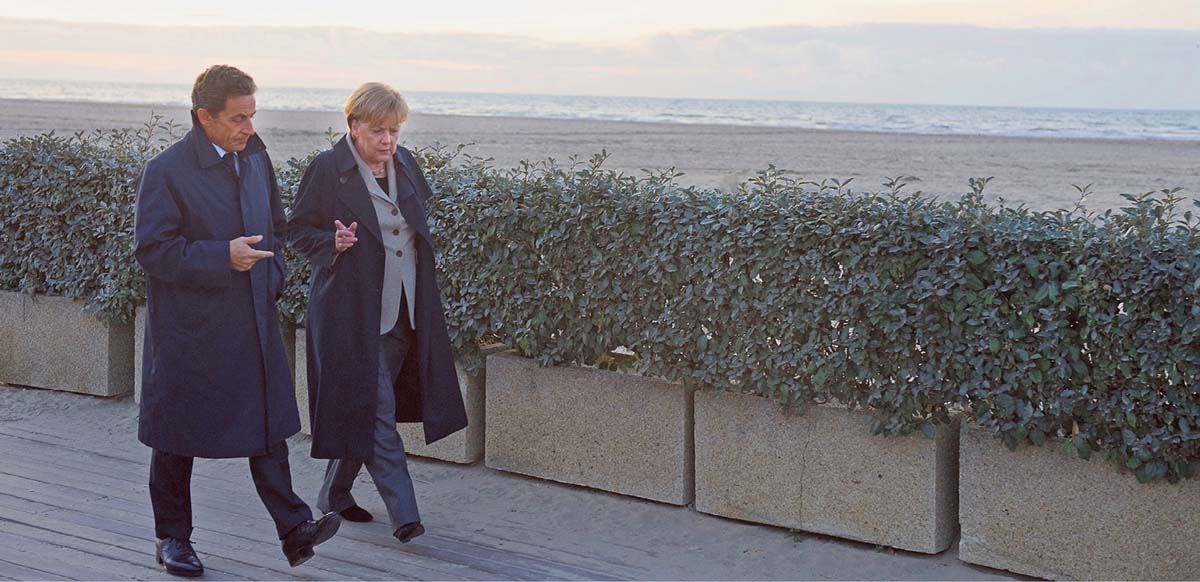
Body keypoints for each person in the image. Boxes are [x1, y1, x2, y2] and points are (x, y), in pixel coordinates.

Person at [134, 64, 341, 577]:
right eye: (237, 118)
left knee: (266, 427)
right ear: (204, 117)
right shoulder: (166, 170)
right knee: (176, 438)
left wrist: (273, 279)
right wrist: (219, 256)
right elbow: (153, 251)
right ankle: (172, 539)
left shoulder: (256, 157)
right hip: (190, 331)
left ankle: (296, 531)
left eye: (252, 115)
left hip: (251, 320)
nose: (248, 128)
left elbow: (275, 225)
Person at [287, 82, 468, 545]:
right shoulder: (328, 170)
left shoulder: (405, 163)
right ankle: (405, 513)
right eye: (377, 131)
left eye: (394, 130)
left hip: (404, 311)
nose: (387, 140)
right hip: (350, 315)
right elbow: (296, 230)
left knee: (364, 411)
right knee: (376, 416)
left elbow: (414, 227)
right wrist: (331, 243)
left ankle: (334, 492)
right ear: (353, 126)